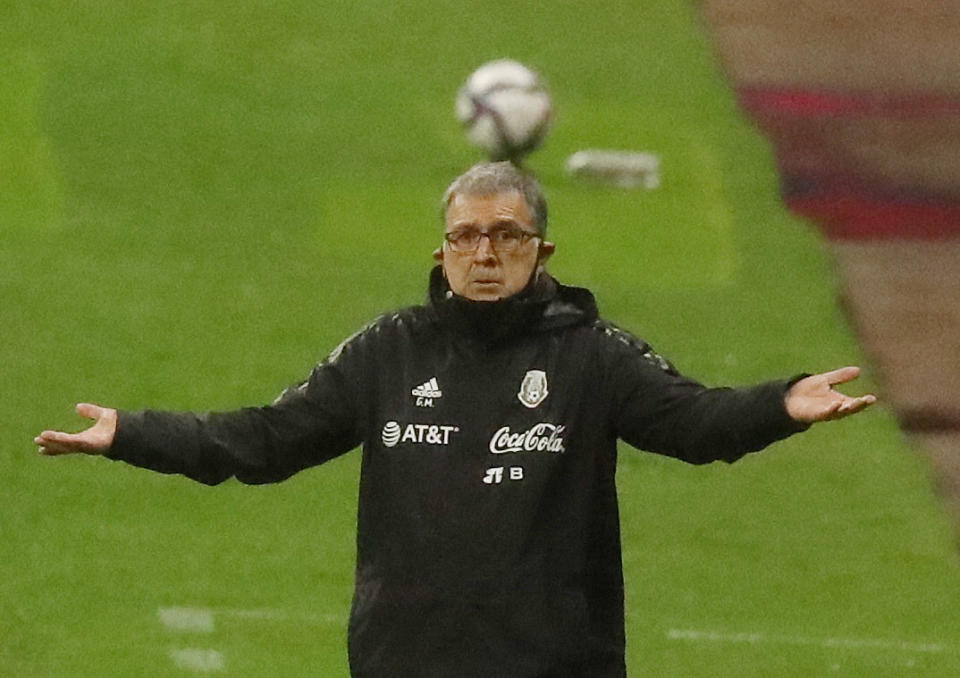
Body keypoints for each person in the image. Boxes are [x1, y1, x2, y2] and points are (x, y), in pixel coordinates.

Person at [36, 161, 875, 677]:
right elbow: (261, 442)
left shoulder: (593, 355)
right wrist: (130, 434)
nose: (484, 254)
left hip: (555, 667)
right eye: (466, 236)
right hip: (405, 665)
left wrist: (781, 403)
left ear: (543, 251)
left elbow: (696, 426)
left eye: (506, 236)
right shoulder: (388, 353)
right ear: (440, 250)